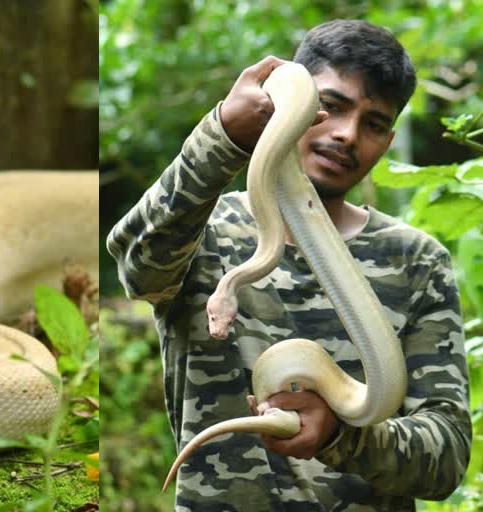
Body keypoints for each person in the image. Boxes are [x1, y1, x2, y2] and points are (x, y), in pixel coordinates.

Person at [106, 19, 471, 511]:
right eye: (331, 107)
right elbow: (137, 267)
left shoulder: (417, 261)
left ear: (388, 140)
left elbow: (446, 459)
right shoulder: (206, 231)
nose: (346, 134)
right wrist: (224, 135)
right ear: (293, 106)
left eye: (374, 123)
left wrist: (341, 436)